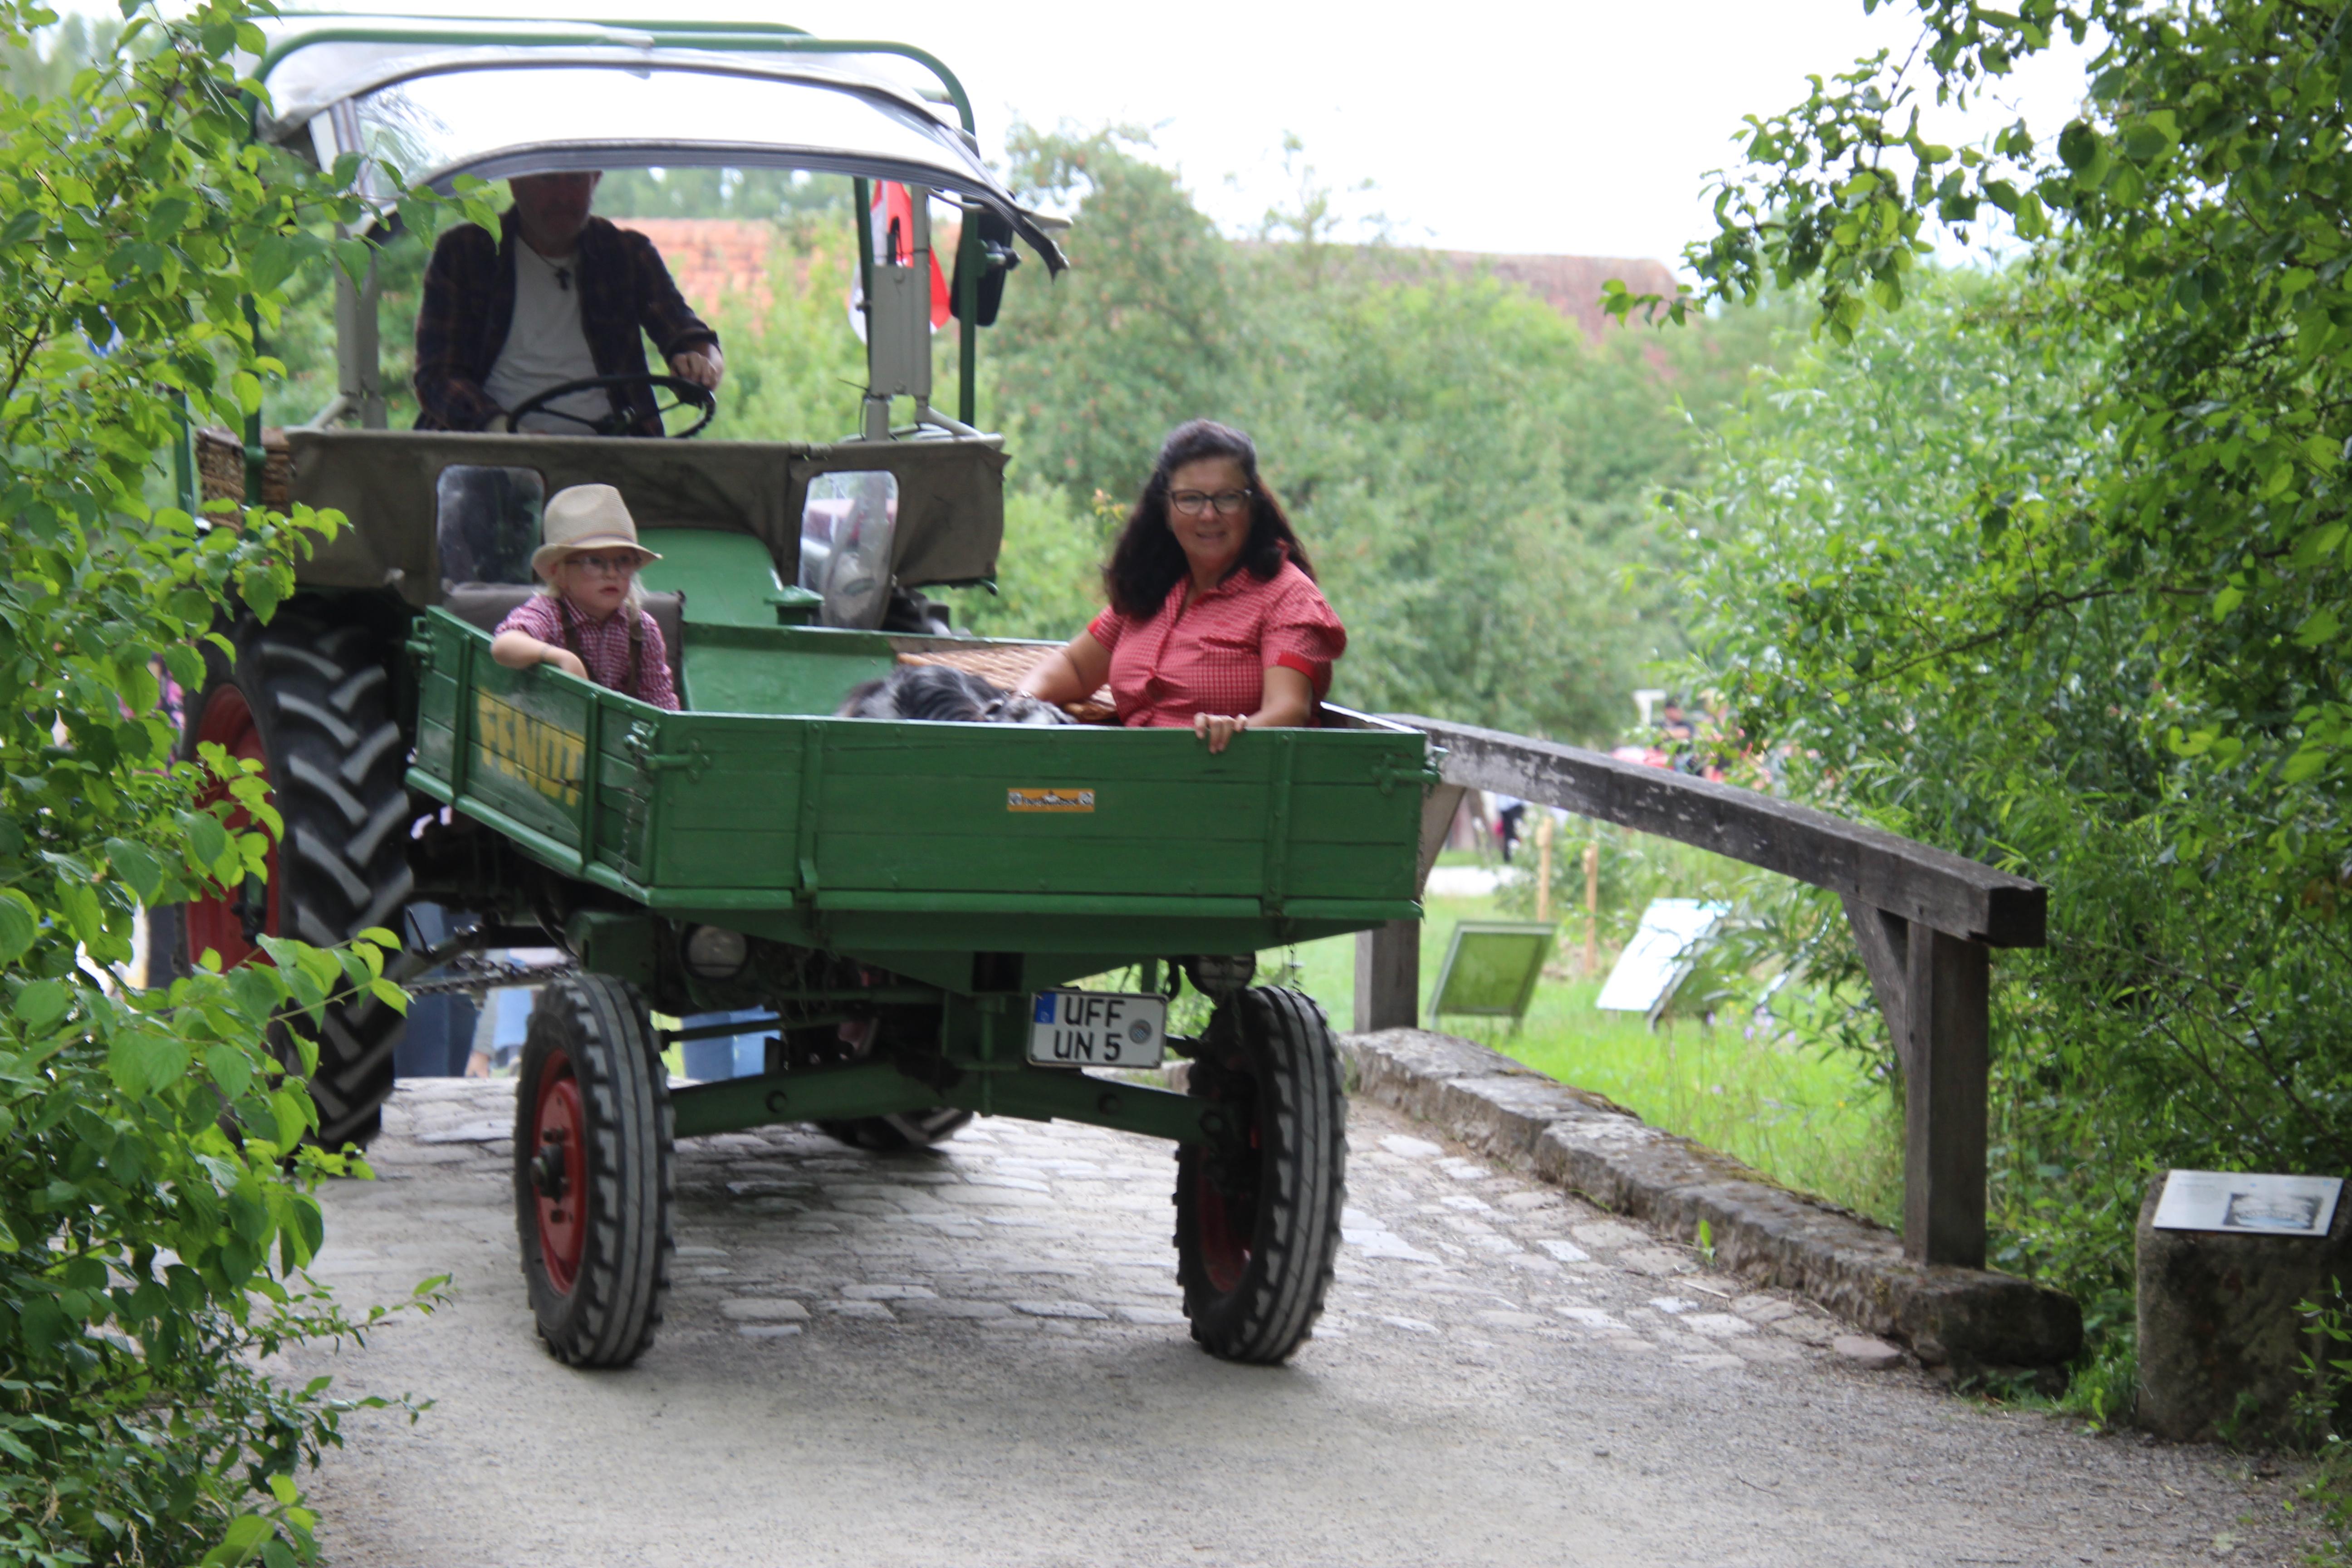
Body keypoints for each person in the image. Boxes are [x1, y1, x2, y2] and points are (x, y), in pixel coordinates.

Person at [1015, 420, 1344, 753]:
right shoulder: (1154, 584)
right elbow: (1074, 666)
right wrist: (1021, 703)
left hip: (1228, 785)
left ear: (1253, 507)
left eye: (1227, 498)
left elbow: (1288, 709)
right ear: (1167, 511)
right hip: (1129, 779)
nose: (1208, 515)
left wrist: (1234, 730)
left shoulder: (1289, 596)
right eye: (1190, 499)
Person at [413, 170, 724, 435]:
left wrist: (701, 366)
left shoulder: (627, 254)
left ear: (595, 181)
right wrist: (505, 432)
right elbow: (437, 377)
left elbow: (689, 334)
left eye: (575, 180)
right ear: (516, 183)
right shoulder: (465, 253)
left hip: (614, 458)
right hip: (490, 454)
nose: (562, 196)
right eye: (549, 180)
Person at [490, 484, 680, 711]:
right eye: (594, 562)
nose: (612, 573)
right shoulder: (548, 613)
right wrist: (562, 658)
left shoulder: (642, 629)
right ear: (557, 573)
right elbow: (503, 645)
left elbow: (660, 702)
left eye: (623, 561)